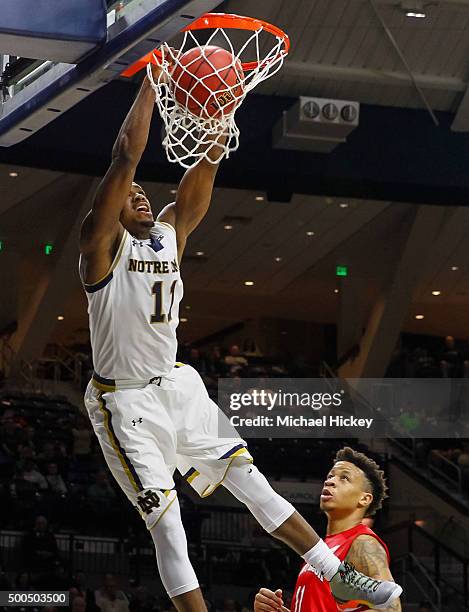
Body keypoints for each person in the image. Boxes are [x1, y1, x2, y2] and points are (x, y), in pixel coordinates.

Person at [78, 55, 401, 612]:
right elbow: (125, 157)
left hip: (176, 386)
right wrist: (154, 82)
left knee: (251, 480)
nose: (142, 197)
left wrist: (221, 113)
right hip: (123, 398)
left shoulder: (168, 235)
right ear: (110, 214)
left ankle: (336, 574)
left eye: (145, 195)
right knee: (168, 521)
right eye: (131, 198)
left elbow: (200, 178)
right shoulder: (99, 250)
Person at [254, 447, 401, 612]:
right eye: (330, 476)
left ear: (364, 498)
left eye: (344, 478)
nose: (330, 481)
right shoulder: (321, 548)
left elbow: (391, 608)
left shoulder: (363, 542)